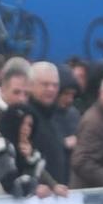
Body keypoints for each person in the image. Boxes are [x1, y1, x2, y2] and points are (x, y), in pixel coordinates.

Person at [26, 60, 74, 189]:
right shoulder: (25, 117)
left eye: (55, 85)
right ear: (30, 85)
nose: (51, 89)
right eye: (45, 84)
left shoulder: (54, 116)